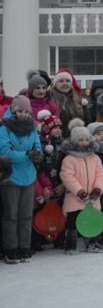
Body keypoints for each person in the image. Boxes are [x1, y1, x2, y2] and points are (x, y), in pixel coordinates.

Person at [0, 96, 41, 264]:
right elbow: (5, 153)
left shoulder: (32, 128)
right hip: (11, 177)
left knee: (26, 215)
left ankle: (24, 247)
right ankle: (11, 248)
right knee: (11, 215)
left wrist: (37, 153)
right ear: (13, 110)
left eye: (26, 111)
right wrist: (26, 155)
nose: (23, 114)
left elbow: (37, 145)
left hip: (28, 177)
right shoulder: (5, 129)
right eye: (20, 110)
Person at [59, 122, 103, 254]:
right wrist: (80, 192)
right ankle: (71, 244)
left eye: (86, 139)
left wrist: (97, 189)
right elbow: (67, 177)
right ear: (74, 141)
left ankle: (92, 242)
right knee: (72, 221)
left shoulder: (95, 158)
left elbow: (100, 174)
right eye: (80, 140)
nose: (84, 142)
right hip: (75, 197)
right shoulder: (69, 159)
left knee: (90, 220)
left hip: (93, 197)